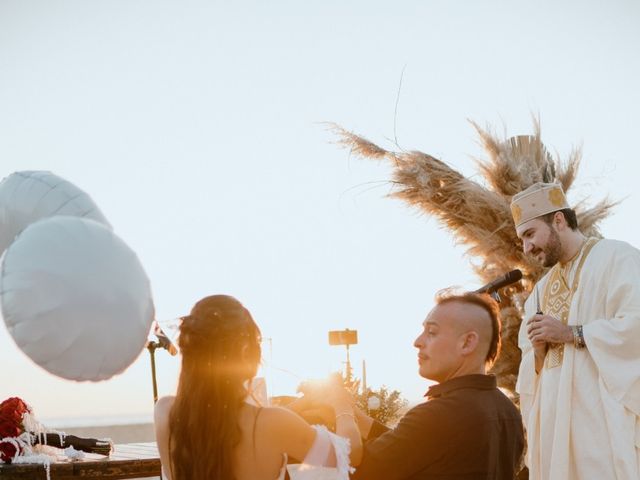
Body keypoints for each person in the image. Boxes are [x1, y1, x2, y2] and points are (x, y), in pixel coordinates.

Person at [301, 290, 524, 479]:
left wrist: (341, 409)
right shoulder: (508, 412)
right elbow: (409, 445)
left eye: (432, 332)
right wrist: (353, 412)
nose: (417, 342)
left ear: (467, 342)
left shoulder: (439, 415)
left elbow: (357, 470)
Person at [153, 295, 362, 480]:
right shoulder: (272, 424)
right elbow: (349, 452)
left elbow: (227, 421)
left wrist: (304, 402)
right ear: (245, 350)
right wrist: (342, 404)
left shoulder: (165, 412)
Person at [511, 182, 640, 479]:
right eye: (522, 239)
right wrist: (539, 354)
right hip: (554, 431)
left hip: (603, 429)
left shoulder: (616, 257)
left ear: (558, 219)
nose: (526, 248)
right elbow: (532, 374)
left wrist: (572, 333)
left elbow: (636, 325)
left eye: (530, 234)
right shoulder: (540, 293)